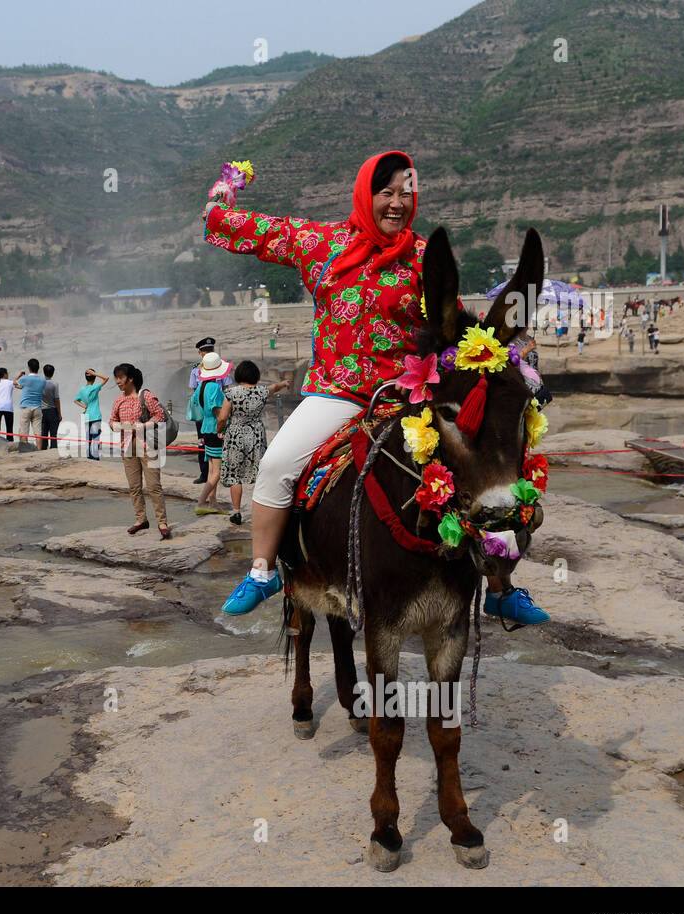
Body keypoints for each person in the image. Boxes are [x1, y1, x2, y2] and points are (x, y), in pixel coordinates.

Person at [203, 149, 551, 627]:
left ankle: (500, 588)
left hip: (404, 396)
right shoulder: (321, 243)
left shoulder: (425, 256)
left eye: (405, 194)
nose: (396, 203)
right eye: (385, 193)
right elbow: (253, 231)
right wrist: (224, 195)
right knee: (277, 464)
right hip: (336, 395)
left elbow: (451, 326)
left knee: (480, 471)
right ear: (365, 196)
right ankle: (264, 571)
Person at [218, 361, 293, 525]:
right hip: (256, 435)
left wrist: (219, 430)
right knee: (259, 473)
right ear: (255, 375)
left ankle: (236, 512)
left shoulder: (231, 393)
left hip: (236, 435)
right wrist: (284, 383)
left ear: (239, 376)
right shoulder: (262, 391)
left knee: (235, 475)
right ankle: (263, 510)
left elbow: (223, 417)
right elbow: (274, 387)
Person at [108, 363, 170, 540]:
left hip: (148, 445)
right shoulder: (119, 400)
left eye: (121, 377)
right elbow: (111, 421)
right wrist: (119, 426)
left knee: (154, 486)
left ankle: (162, 522)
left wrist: (143, 425)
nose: (118, 381)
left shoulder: (146, 396)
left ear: (131, 378)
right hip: (127, 446)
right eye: (116, 378)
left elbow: (160, 416)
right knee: (134, 486)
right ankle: (141, 519)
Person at [187, 338, 234, 484]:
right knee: (203, 442)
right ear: (200, 353)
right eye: (205, 351)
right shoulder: (196, 369)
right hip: (207, 413)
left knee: (221, 444)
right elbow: (195, 392)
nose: (207, 353)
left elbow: (226, 389)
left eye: (210, 351)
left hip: (219, 411)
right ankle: (205, 473)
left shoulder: (221, 366)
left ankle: (220, 475)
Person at [192, 352, 231, 515]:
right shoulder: (215, 387)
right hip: (216, 429)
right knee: (218, 471)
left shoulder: (201, 386)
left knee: (211, 468)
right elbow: (217, 410)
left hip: (205, 427)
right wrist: (221, 430)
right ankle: (201, 502)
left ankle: (213, 503)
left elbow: (195, 401)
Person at [74, 369, 108, 460]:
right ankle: (95, 457)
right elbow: (106, 378)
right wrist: (95, 373)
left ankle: (89, 456)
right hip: (96, 415)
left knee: (88, 437)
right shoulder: (95, 387)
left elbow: (76, 400)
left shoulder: (82, 390)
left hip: (87, 415)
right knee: (96, 437)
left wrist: (84, 406)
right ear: (94, 378)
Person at [14, 359, 47, 448]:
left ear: (29, 368)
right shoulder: (43, 380)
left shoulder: (24, 378)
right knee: (38, 432)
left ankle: (26, 451)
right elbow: (29, 387)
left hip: (25, 407)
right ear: (38, 368)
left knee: (24, 431)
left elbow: (15, 383)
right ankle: (39, 451)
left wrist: (18, 376)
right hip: (37, 407)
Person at [39, 364, 61, 450]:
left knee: (44, 434)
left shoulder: (40, 383)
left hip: (42, 411)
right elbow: (56, 399)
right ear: (53, 373)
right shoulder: (55, 384)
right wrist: (59, 413)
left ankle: (43, 450)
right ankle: (53, 450)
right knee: (53, 434)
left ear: (44, 372)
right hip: (52, 411)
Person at [0, 367, 15, 441]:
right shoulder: (10, 382)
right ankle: (10, 444)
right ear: (5, 374)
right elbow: (17, 384)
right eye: (7, 373)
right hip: (8, 408)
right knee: (9, 428)